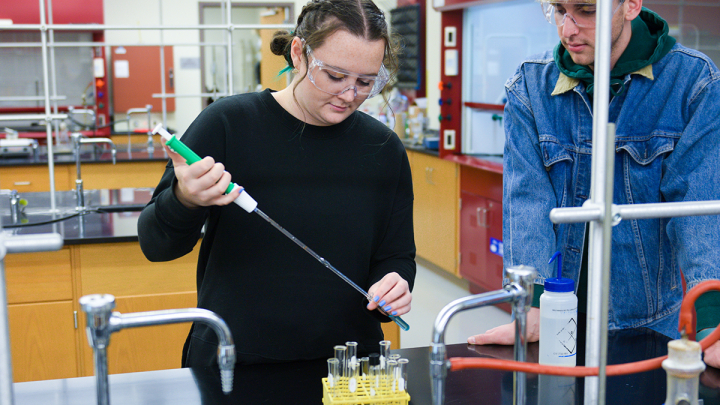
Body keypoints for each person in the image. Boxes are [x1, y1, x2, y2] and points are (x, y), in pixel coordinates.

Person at [137, 0, 415, 373]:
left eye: (366, 82)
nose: (350, 95)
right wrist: (184, 199)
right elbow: (156, 245)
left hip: (347, 367)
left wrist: (394, 283)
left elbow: (396, 254)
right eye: (334, 76)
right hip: (238, 361)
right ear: (299, 53)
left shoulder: (383, 149)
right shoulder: (228, 124)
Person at [467, 0, 720, 368]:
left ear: (630, 5)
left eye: (586, 10)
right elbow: (527, 203)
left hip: (647, 324)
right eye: (558, 10)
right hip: (554, 321)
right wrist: (533, 305)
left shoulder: (691, 83)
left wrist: (712, 325)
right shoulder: (530, 87)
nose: (567, 29)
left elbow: (700, 211)